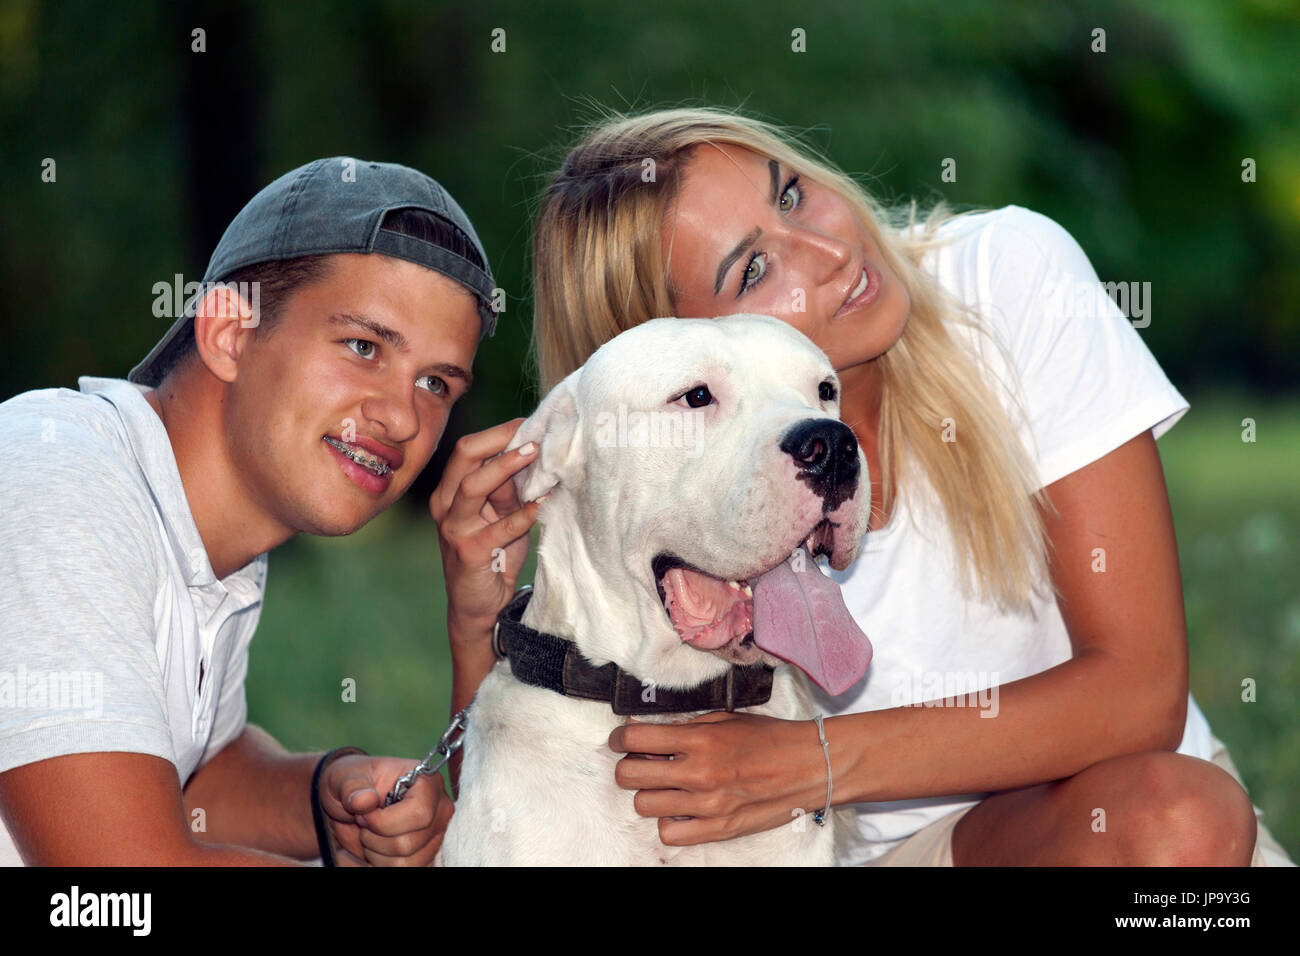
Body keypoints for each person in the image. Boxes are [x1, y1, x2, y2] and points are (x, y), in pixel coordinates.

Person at [439, 107, 1293, 866]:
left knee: (1179, 826)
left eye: (792, 194)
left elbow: (1139, 692)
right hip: (871, 855)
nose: (831, 250)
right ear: (665, 356)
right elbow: (510, 818)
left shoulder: (1007, 277)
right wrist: (478, 617)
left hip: (1112, 831)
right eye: (753, 272)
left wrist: (813, 757)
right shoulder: (668, 537)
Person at [0, 158, 539, 866]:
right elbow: (117, 887)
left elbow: (189, 777)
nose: (403, 419)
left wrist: (322, 797)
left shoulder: (210, 547)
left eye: (436, 383)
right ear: (229, 333)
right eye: (363, 347)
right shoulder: (58, 477)